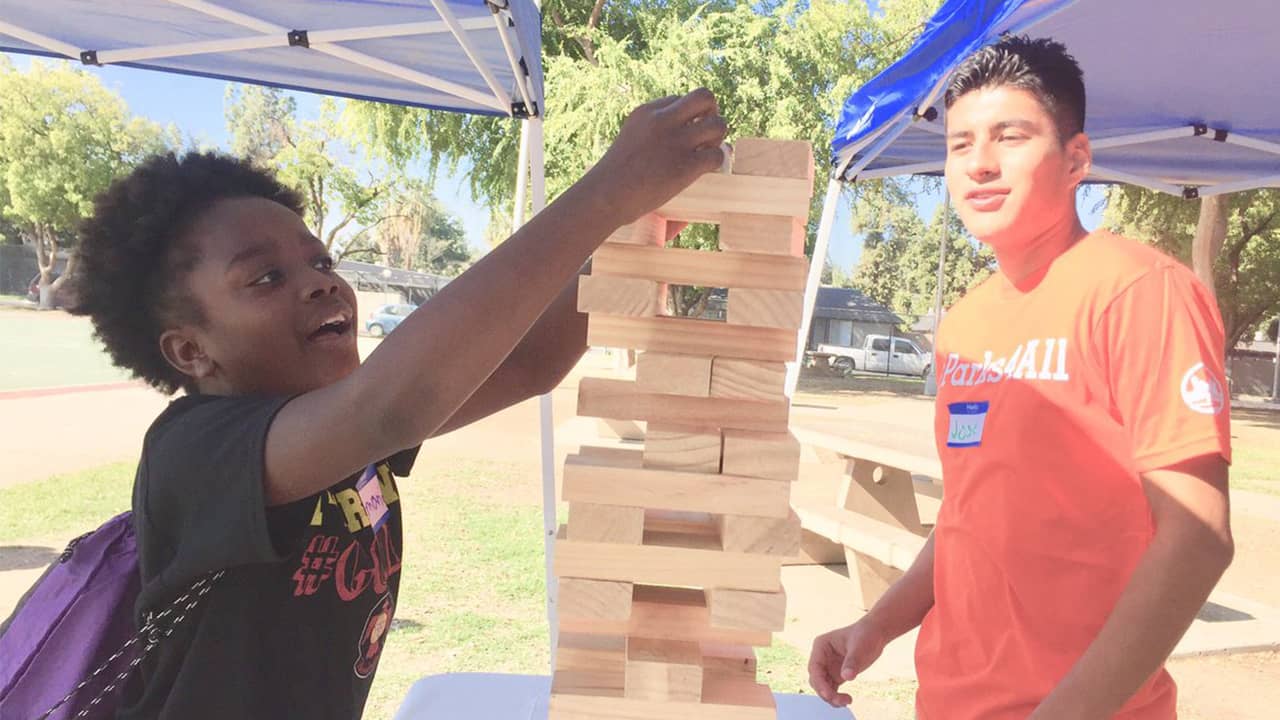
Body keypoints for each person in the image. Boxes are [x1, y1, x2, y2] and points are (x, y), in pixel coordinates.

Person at [68, 89, 727, 719]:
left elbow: (527, 363)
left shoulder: (344, 424)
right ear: (191, 352)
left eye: (321, 262)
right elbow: (391, 404)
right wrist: (606, 193)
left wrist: (632, 238)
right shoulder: (195, 448)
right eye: (267, 277)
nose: (320, 286)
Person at [808, 36, 1233, 720]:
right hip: (948, 702)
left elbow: (1198, 537)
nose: (980, 164)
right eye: (959, 144)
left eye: (1010, 136)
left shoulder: (1139, 290)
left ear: (1076, 159)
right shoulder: (965, 323)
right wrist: (878, 625)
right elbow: (966, 516)